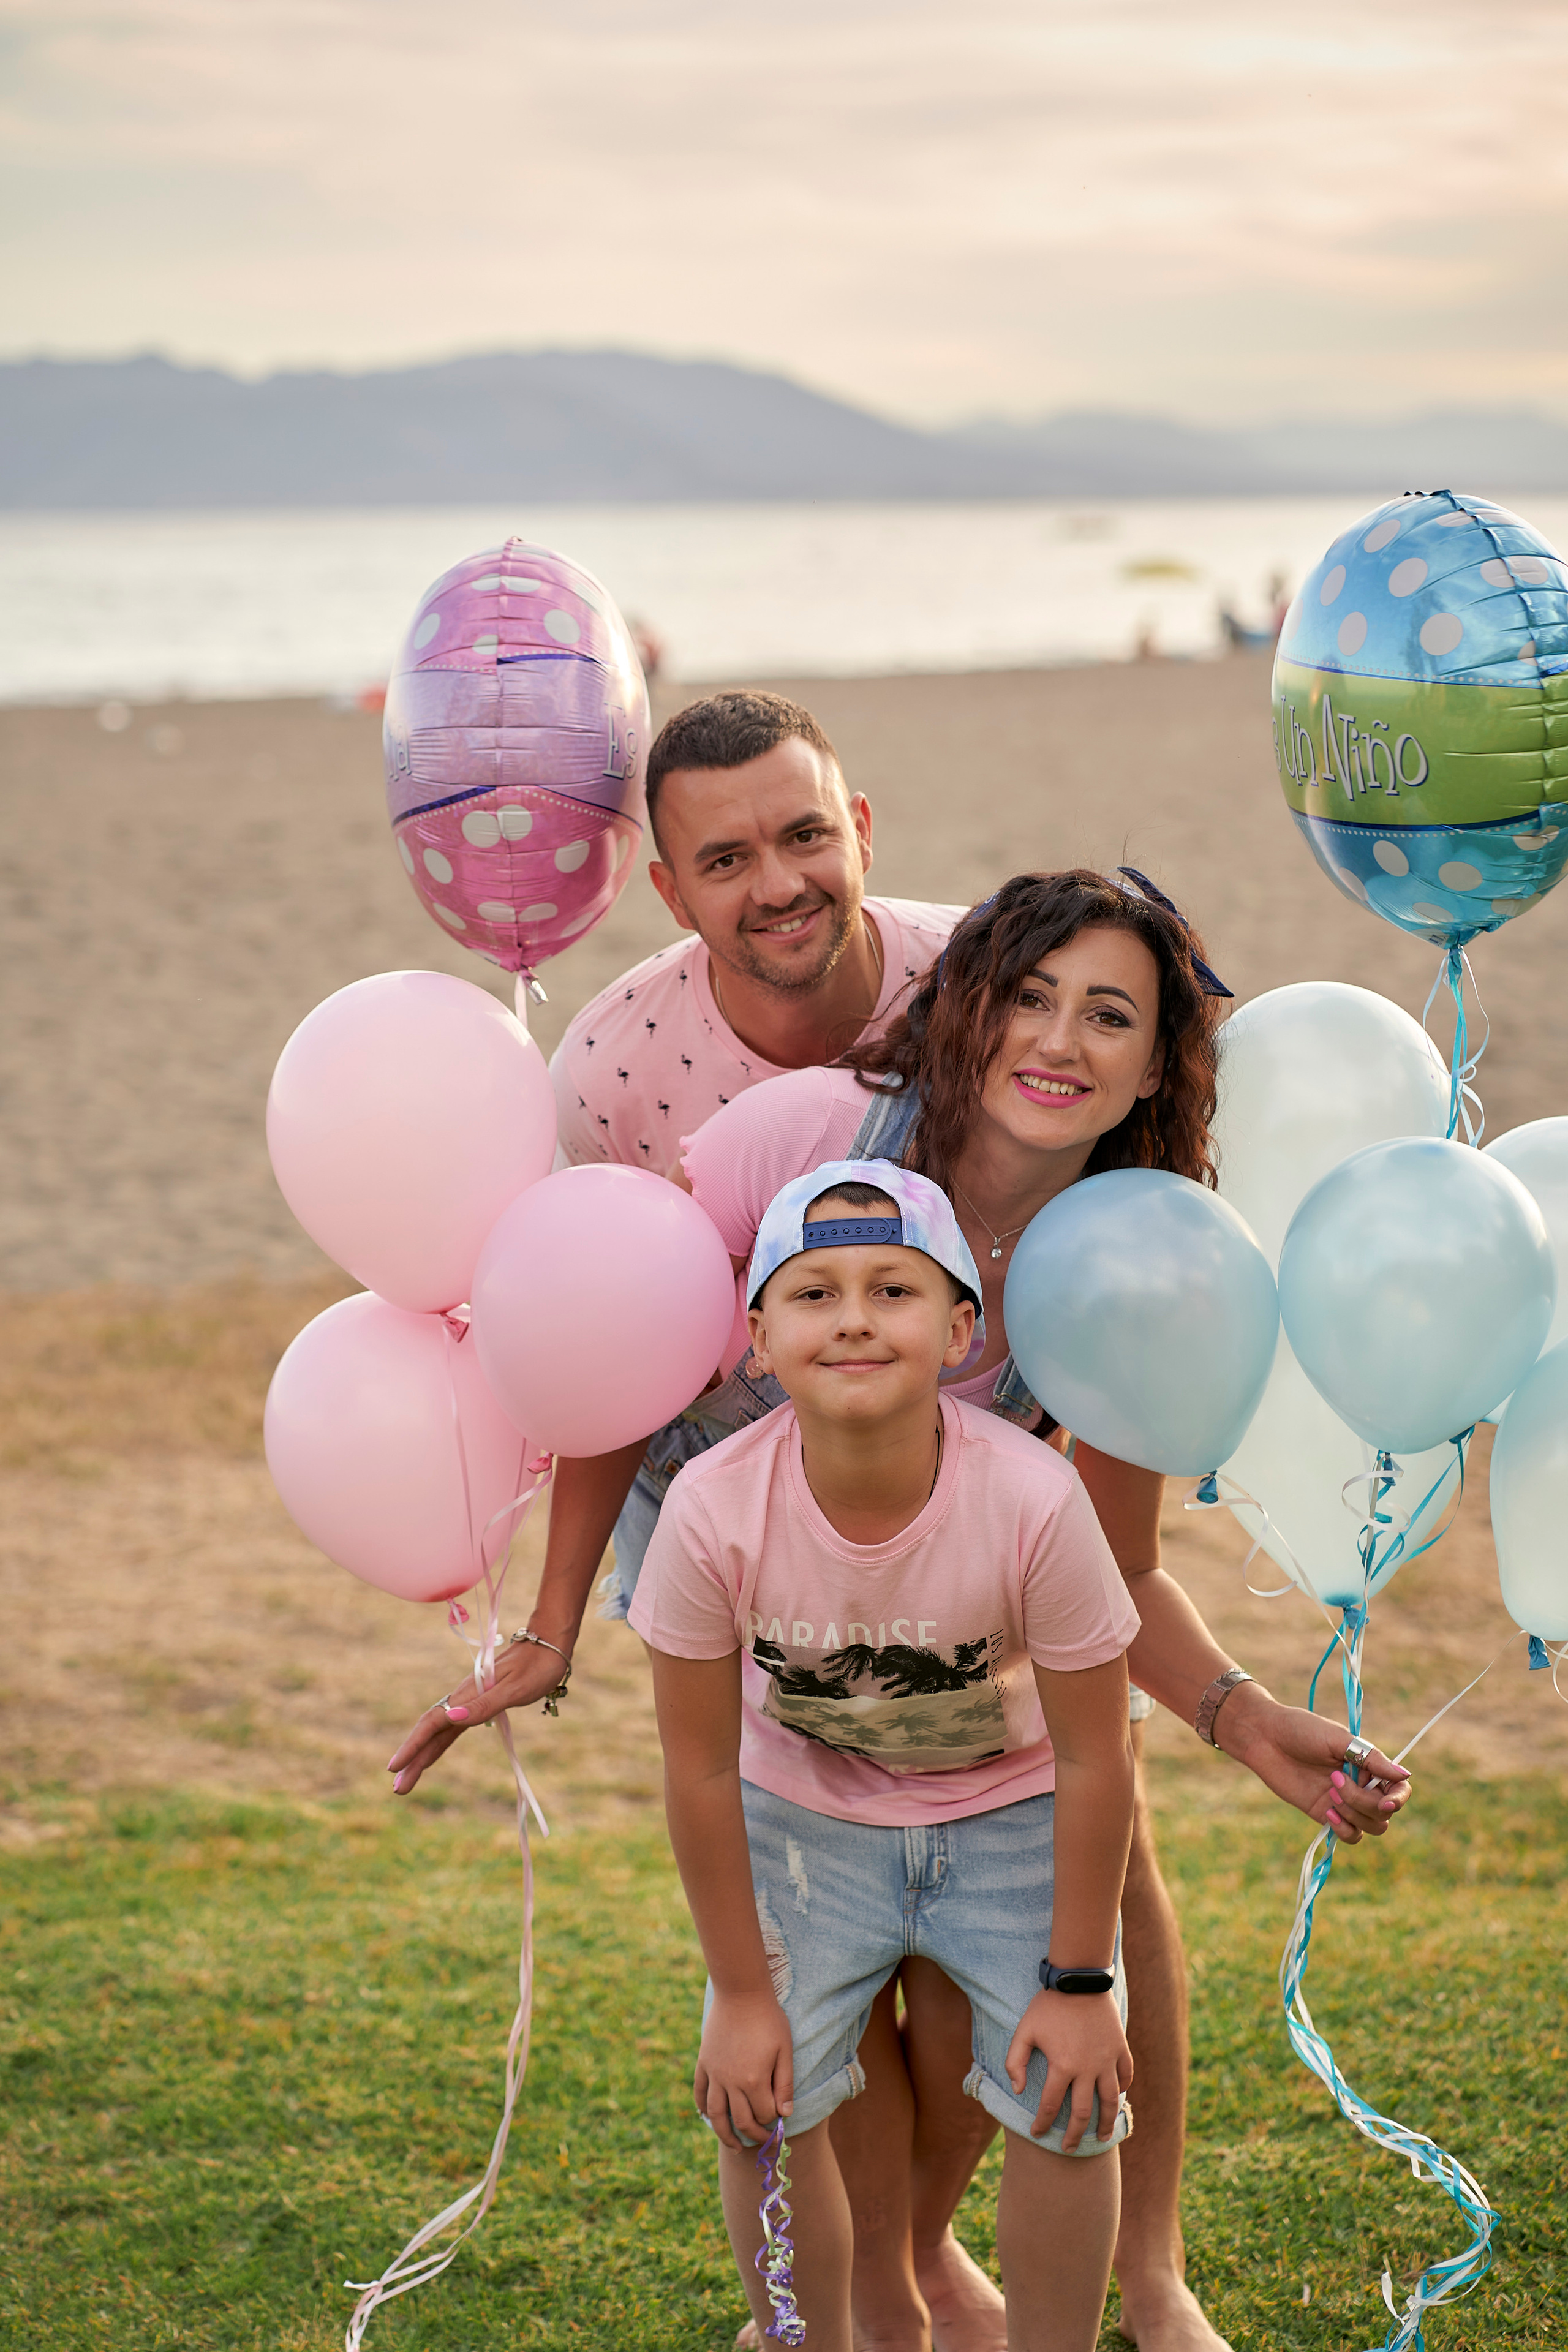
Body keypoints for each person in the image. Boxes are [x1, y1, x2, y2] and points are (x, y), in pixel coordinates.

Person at [388, 843, 1409, 2348]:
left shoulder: (1124, 1257)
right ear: (968, 1009)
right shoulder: (806, 1138)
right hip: (744, 1565)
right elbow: (619, 1345)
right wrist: (547, 1626)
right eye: (1031, 999)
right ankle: (880, 2300)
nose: (1059, 1043)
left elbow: (1116, 1569)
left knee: (1070, 1896)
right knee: (823, 1985)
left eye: (1110, 1018)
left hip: (967, 1600)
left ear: (1152, 1070)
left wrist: (1241, 1716)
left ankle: (1111, 2270)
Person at [635, 1162, 1140, 2352]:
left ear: (961, 1328)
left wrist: (1078, 1986)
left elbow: (1093, 1754)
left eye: (892, 1288)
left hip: (1009, 1815)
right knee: (757, 2104)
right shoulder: (710, 1512)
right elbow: (699, 1772)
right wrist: (741, 1999)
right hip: (803, 1829)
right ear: (756, 1337)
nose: (853, 1316)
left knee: (1068, 2105)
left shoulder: (1031, 1500)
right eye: (811, 1293)